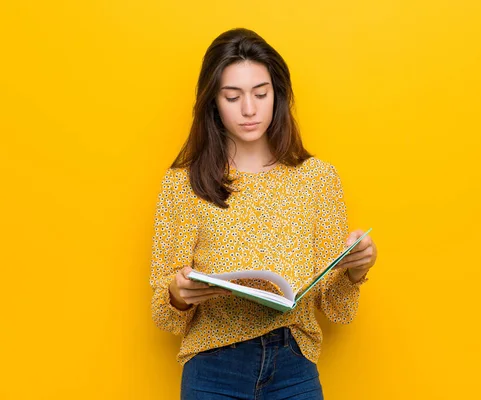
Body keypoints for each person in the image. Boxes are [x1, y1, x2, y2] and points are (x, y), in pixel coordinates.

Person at [149, 27, 378, 400]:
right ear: (213, 103)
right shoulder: (182, 184)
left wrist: (357, 268)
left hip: (294, 365)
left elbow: (337, 312)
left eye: (261, 93)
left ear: (278, 95)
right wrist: (178, 293)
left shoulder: (318, 179)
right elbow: (163, 316)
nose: (250, 109)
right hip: (212, 369)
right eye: (232, 96)